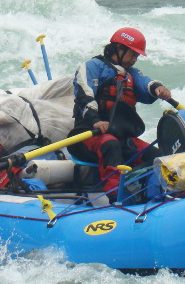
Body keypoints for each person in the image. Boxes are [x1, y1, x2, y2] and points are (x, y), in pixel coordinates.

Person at [69, 27, 171, 201]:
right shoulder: (92, 67)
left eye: (136, 56)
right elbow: (85, 95)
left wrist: (157, 88)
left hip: (119, 137)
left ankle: (156, 193)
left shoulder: (132, 75)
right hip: (86, 136)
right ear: (119, 49)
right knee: (110, 144)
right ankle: (117, 198)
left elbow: (145, 83)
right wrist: (95, 120)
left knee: (152, 155)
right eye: (132, 54)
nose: (134, 59)